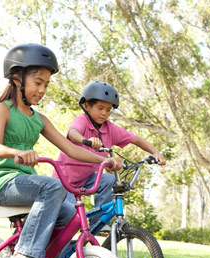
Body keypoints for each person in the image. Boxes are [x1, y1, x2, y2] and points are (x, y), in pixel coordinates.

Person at [0, 44, 121, 258]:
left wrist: (102, 160)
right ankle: (24, 254)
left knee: (71, 216)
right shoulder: (2, 109)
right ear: (18, 79)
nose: (42, 89)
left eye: (46, 85)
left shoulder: (40, 119)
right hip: (2, 182)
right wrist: (19, 152)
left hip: (27, 183)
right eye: (38, 83)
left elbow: (71, 148)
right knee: (55, 187)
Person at [55, 81, 166, 225]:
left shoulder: (110, 129)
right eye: (100, 108)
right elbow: (72, 133)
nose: (104, 113)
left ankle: (99, 223)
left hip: (86, 179)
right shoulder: (82, 120)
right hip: (64, 181)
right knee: (69, 219)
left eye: (108, 110)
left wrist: (155, 152)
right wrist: (86, 140)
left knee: (109, 181)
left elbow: (136, 139)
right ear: (87, 106)